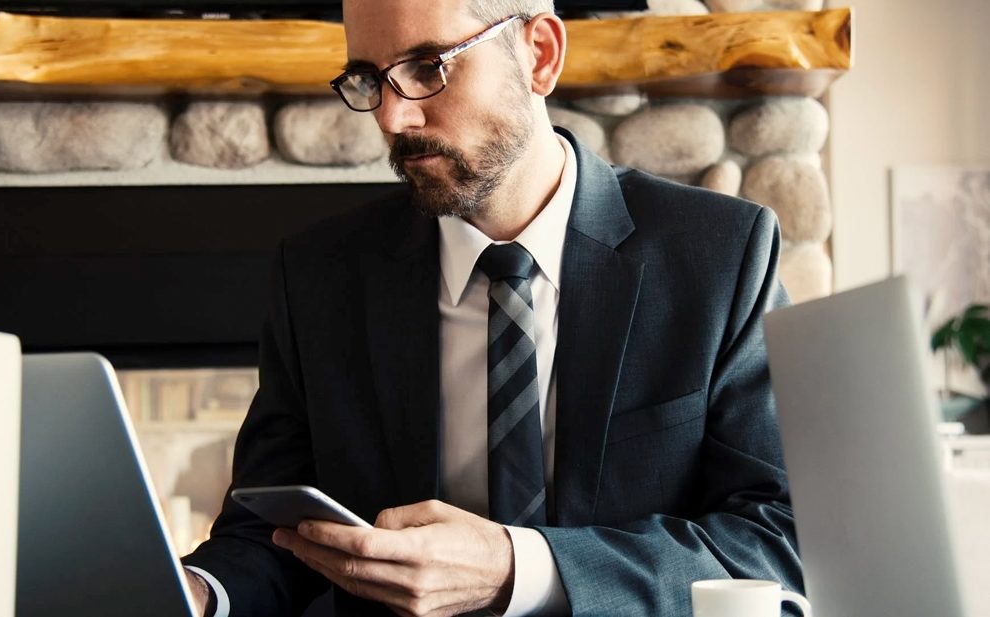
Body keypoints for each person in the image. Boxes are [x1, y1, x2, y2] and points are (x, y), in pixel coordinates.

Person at [182, 0, 802, 615]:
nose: (394, 117)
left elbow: (776, 540)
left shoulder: (720, 257)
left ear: (540, 55)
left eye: (427, 66)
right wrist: (200, 594)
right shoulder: (318, 277)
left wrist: (518, 568)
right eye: (370, 79)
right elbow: (268, 534)